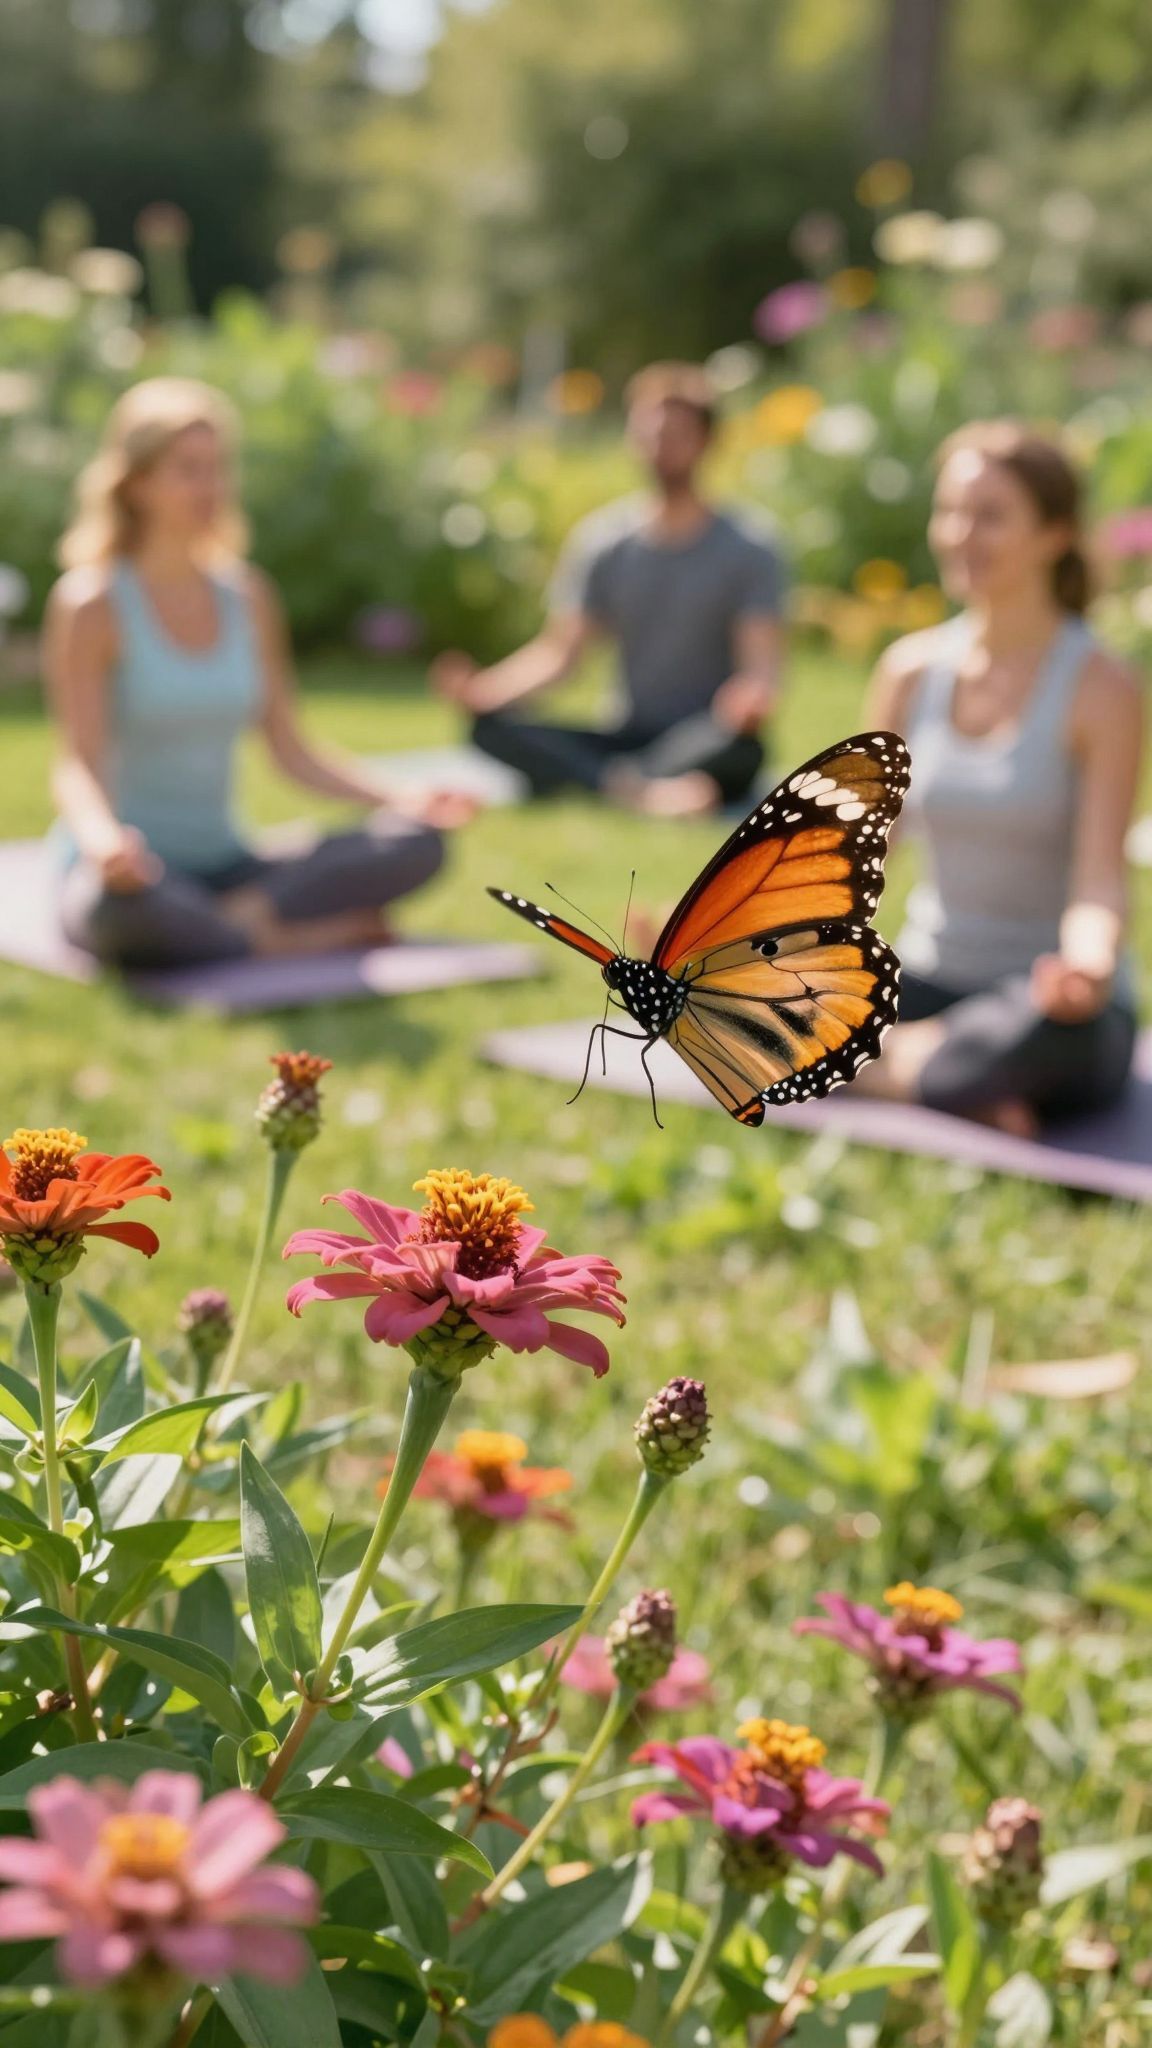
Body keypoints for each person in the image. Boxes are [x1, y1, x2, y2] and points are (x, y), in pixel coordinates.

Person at [44, 377, 463, 971]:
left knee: (416, 841)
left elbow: (291, 751)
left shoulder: (248, 597)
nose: (211, 486)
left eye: (218, 468)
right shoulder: (93, 604)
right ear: (137, 484)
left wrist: (404, 795)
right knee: (125, 918)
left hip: (232, 868)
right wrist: (103, 842)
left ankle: (237, 921)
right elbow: (77, 764)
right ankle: (279, 938)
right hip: (135, 875)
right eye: (188, 469)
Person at [861, 420, 1143, 1133]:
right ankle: (952, 1078)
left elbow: (1099, 880)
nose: (960, 533)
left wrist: (1086, 967)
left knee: (1070, 1036)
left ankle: (885, 1066)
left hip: (1040, 1003)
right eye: (951, 510)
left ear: (1055, 534)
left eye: (989, 516)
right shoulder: (909, 672)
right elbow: (855, 860)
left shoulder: (1102, 687)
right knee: (759, 1010)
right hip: (925, 980)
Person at [432, 361, 786, 816]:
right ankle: (640, 789)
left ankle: (615, 782)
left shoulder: (750, 548)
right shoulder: (603, 543)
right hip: (623, 734)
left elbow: (761, 667)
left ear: (706, 442)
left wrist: (750, 700)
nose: (659, 448)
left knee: (742, 749)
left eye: (674, 436)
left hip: (705, 734)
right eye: (649, 434)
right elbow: (561, 655)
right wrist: (485, 691)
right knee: (487, 729)